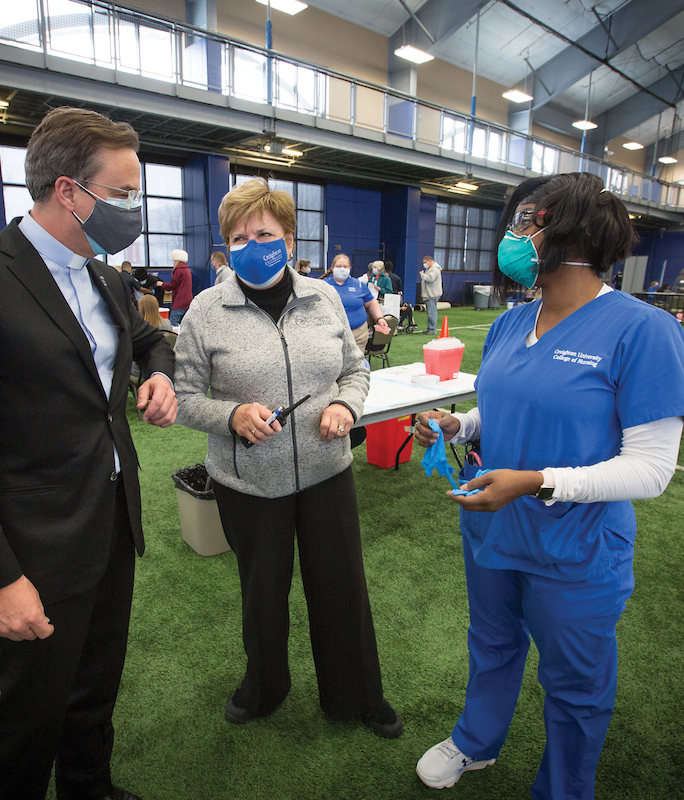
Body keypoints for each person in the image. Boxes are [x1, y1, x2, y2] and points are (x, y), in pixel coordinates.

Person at [0, 106, 177, 800]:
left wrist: (162, 374)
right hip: (34, 543)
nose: (133, 208)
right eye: (121, 192)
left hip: (112, 517)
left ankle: (90, 787)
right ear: (67, 190)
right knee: (32, 708)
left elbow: (148, 343)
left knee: (95, 685)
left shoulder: (107, 278)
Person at [412, 173, 684, 797]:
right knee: (491, 641)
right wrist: (457, 424)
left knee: (576, 684)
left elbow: (651, 469)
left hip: (577, 548)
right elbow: (502, 407)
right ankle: (476, 741)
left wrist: (538, 481)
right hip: (491, 524)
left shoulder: (643, 330)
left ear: (575, 234)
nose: (513, 234)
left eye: (528, 221)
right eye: (515, 220)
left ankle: (563, 788)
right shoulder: (514, 322)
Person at [173, 177, 403, 741]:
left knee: (341, 589)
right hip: (249, 483)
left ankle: (356, 696)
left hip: (327, 474)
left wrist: (347, 407)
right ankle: (264, 688)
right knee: (262, 594)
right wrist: (230, 416)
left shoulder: (324, 298)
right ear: (226, 246)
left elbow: (356, 370)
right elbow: (183, 397)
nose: (252, 244)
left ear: (290, 239)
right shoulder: (206, 311)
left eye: (264, 233)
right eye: (239, 236)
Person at [325, 253, 391, 353]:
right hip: (332, 334)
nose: (342, 269)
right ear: (333, 268)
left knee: (356, 364)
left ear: (349, 268)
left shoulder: (359, 284)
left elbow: (371, 302)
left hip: (358, 333)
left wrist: (379, 318)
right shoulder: (323, 285)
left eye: (345, 266)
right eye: (339, 266)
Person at [162, 248, 193, 326]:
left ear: (177, 261)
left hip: (179, 302)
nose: (174, 264)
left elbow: (173, 285)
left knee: (173, 323)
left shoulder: (179, 270)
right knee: (186, 325)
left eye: (174, 262)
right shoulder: (187, 269)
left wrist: (162, 284)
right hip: (188, 301)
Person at [420, 255, 443, 334]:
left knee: (431, 313)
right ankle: (430, 328)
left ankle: (432, 329)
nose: (424, 264)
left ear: (430, 261)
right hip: (429, 294)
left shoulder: (434, 269)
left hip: (432, 294)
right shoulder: (430, 269)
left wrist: (422, 275)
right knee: (430, 312)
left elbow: (430, 279)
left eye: (425, 262)